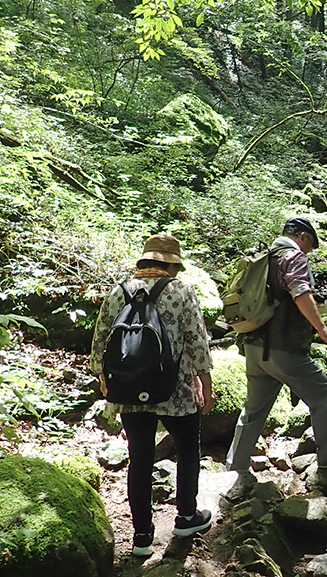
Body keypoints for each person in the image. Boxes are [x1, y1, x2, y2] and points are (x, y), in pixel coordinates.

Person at [89, 233, 216, 557]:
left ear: (144, 262)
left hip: (130, 388)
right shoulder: (181, 290)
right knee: (188, 451)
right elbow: (196, 341)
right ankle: (187, 516)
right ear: (171, 265)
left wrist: (104, 379)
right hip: (175, 388)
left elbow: (101, 338)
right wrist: (206, 384)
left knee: (140, 461)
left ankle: (142, 537)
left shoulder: (119, 291)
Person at [226, 217, 327, 473]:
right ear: (302, 237)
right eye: (310, 243)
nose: (310, 250)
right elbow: (300, 293)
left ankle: (235, 466)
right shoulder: (293, 257)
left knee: (253, 411)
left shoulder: (264, 256)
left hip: (254, 346)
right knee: (322, 394)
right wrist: (322, 329)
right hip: (281, 348)